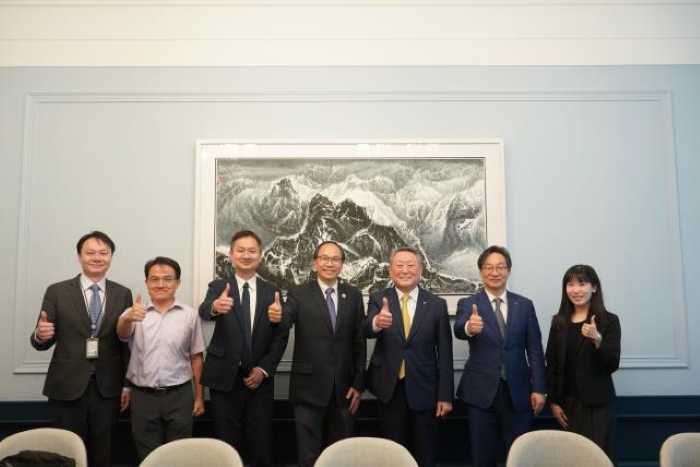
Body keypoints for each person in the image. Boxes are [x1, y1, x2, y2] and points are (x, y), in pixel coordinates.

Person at [30, 231, 133, 467]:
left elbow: (126, 344)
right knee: (67, 454)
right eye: (90, 253)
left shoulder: (123, 293)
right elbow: (42, 340)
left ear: (111, 258)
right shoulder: (57, 291)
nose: (97, 257)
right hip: (66, 388)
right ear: (79, 257)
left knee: (103, 454)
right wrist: (39, 334)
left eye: (103, 253)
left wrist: (127, 384)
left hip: (108, 389)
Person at [268, 241, 366, 467]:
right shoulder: (299, 293)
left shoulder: (352, 295)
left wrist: (359, 383)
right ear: (315, 262)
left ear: (342, 264)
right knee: (308, 456)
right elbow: (285, 322)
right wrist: (276, 317)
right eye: (324, 258)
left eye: (335, 259)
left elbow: (359, 341)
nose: (329, 263)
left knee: (341, 455)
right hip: (307, 389)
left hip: (344, 390)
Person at [199, 230, 289, 467]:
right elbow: (204, 309)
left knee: (261, 444)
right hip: (224, 378)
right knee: (226, 445)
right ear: (231, 254)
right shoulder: (219, 286)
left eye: (252, 251)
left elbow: (281, 337)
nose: (246, 255)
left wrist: (264, 369)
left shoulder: (273, 291)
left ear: (260, 256)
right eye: (241, 250)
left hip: (259, 380)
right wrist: (216, 307)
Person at [454, 245, 546, 467]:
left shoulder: (524, 305)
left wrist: (539, 388)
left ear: (509, 271)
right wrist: (469, 327)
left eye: (500, 267)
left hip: (518, 393)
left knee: (518, 456)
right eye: (488, 267)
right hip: (480, 393)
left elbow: (534, 349)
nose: (495, 272)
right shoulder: (468, 303)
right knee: (482, 457)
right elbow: (458, 329)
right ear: (480, 272)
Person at [364, 247, 453, 467]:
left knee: (425, 453)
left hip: (425, 390)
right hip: (389, 388)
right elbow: (365, 330)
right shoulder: (378, 298)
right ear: (390, 270)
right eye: (399, 265)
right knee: (392, 454)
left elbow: (445, 354)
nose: (405, 270)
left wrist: (445, 395)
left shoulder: (436, 304)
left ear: (420, 270)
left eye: (411, 265)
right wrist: (376, 323)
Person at [116, 256, 206, 462]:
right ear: (146, 283)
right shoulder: (134, 313)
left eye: (167, 279)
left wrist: (199, 396)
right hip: (143, 397)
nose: (161, 284)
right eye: (154, 279)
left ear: (177, 283)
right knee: (147, 457)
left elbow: (197, 358)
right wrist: (127, 318)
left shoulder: (190, 315)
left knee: (179, 455)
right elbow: (121, 334)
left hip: (180, 395)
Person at [545, 264, 621, 463]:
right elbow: (551, 364)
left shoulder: (609, 321)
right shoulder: (558, 322)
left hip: (599, 406)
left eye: (582, 284)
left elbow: (612, 363)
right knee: (571, 459)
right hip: (567, 405)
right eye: (570, 284)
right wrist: (553, 402)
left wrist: (598, 339)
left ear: (594, 287)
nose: (575, 290)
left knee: (599, 459)